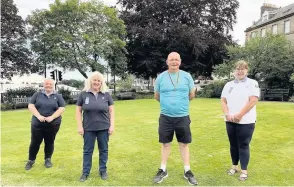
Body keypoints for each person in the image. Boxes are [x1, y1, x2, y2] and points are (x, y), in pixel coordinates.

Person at [153, 52, 198, 185]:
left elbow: (191, 95)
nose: (174, 62)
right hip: (165, 117)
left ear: (180, 61)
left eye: (176, 60)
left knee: (184, 144)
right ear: (167, 62)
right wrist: (168, 105)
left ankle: (187, 170)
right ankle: (163, 169)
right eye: (171, 60)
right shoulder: (161, 77)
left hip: (182, 116)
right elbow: (157, 96)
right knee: (165, 144)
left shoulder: (186, 76)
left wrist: (180, 105)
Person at [220, 60, 260, 181]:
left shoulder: (252, 83)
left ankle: (244, 171)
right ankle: (234, 166)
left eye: (243, 69)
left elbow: (253, 100)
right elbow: (223, 100)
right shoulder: (229, 85)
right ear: (234, 71)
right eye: (237, 69)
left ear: (247, 70)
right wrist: (227, 114)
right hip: (230, 120)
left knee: (243, 144)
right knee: (233, 144)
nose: (240, 71)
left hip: (246, 121)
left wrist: (240, 115)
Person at [76, 71, 114, 182]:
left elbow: (112, 111)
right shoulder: (83, 94)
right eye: (94, 80)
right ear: (90, 81)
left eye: (99, 80)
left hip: (104, 127)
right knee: (87, 151)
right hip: (88, 128)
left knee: (104, 150)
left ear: (101, 82)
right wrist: (80, 126)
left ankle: (103, 171)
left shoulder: (106, 94)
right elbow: (78, 111)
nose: (96, 82)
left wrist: (112, 126)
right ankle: (85, 172)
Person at [25, 79, 65, 170]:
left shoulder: (58, 96)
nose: (48, 85)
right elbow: (31, 106)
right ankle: (31, 160)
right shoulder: (37, 95)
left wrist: (52, 117)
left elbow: (62, 108)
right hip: (37, 123)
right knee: (35, 142)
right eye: (46, 84)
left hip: (53, 124)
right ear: (43, 85)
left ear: (54, 85)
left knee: (50, 141)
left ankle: (47, 159)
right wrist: (38, 116)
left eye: (50, 84)